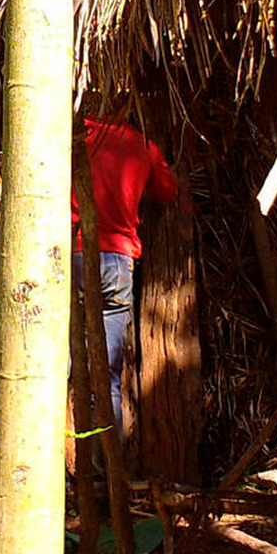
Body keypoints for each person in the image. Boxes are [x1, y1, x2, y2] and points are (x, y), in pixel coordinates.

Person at [70, 118, 178, 435]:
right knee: (106, 379)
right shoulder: (142, 144)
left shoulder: (72, 133)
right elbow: (167, 192)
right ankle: (106, 474)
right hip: (116, 261)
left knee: (55, 367)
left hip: (69, 256)